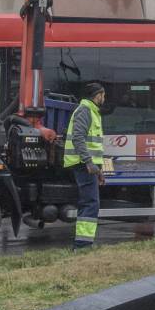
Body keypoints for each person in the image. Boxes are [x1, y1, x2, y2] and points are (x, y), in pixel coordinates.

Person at [64, 82, 107, 250]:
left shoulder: (91, 111)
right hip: (83, 164)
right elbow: (78, 138)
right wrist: (88, 162)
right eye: (103, 95)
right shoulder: (85, 111)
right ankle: (82, 245)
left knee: (90, 203)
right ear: (97, 96)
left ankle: (83, 244)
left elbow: (93, 146)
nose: (104, 98)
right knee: (90, 203)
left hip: (86, 165)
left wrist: (99, 170)